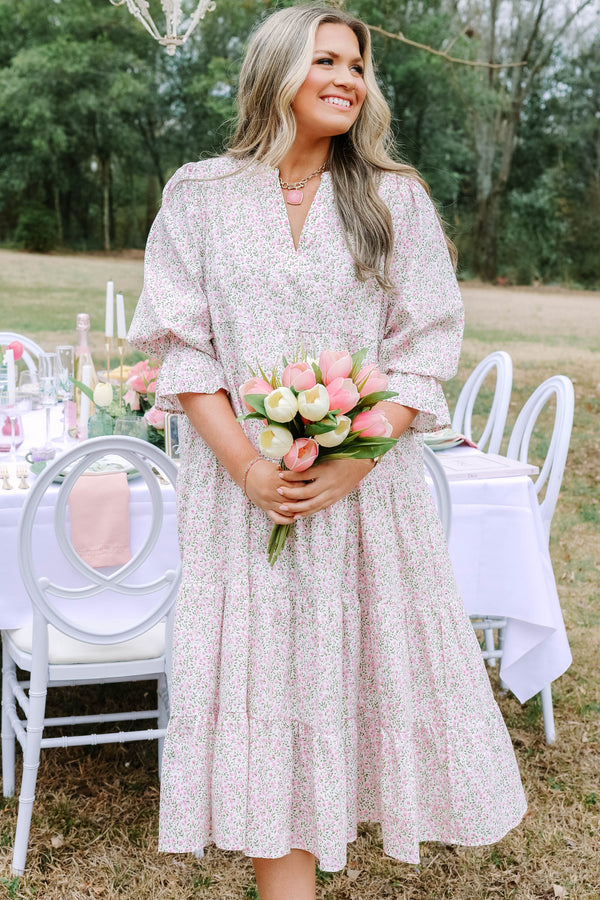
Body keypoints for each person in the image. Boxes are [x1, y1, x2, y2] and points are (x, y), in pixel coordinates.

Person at [128, 5, 526, 898]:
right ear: (276, 71)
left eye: (357, 65)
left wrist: (349, 464)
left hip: (367, 500)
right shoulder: (199, 194)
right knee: (266, 702)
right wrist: (249, 470)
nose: (348, 79)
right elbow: (186, 347)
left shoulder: (394, 198)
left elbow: (424, 343)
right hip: (242, 498)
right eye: (327, 61)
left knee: (346, 692)